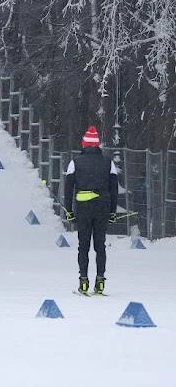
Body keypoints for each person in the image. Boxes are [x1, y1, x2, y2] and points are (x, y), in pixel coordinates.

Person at [63, 126, 119, 295]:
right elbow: (114, 188)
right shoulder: (108, 162)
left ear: (84, 144)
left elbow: (68, 188)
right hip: (102, 208)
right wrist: (112, 211)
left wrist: (69, 210)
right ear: (97, 145)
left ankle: (84, 282)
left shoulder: (75, 162)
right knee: (100, 246)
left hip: (83, 209)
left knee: (83, 246)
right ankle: (100, 282)